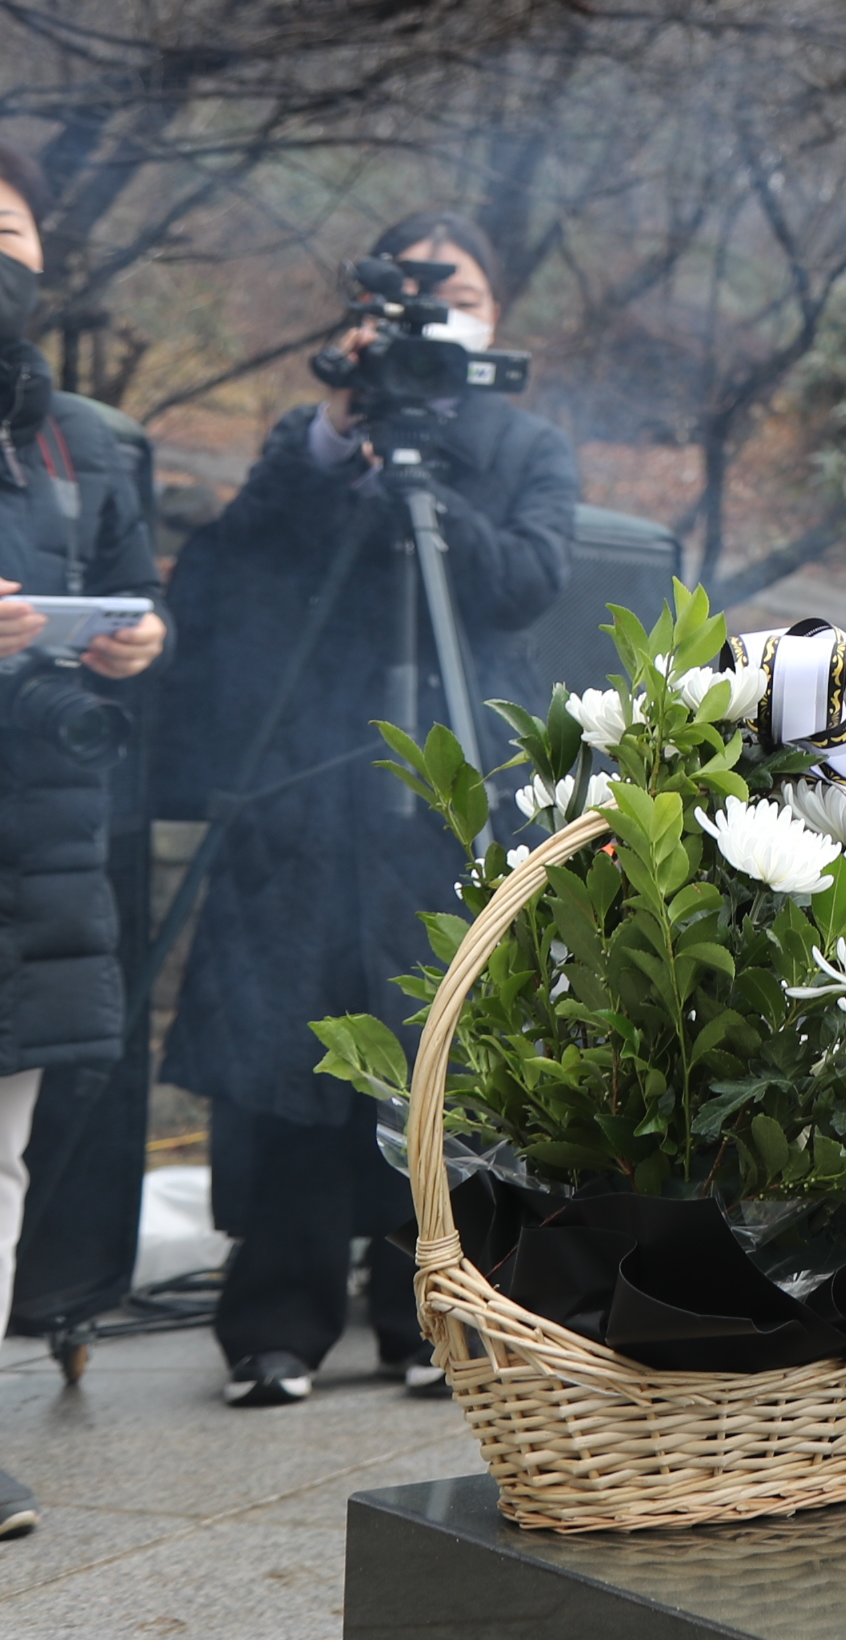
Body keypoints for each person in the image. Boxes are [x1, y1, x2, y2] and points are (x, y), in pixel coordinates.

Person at [157, 214, 578, 1408]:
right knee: (296, 1050)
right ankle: (274, 1327)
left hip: (451, 781)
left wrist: (431, 494)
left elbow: (527, 582)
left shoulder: (522, 442)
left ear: (497, 317)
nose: (444, 314)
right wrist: (337, 443)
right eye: (421, 294)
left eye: (468, 291)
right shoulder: (314, 441)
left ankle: (426, 1316)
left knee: (438, 1059)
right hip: (309, 782)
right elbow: (232, 570)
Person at [0, 142, 167, 1540]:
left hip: (33, 837)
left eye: (14, 228)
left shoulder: (82, 438)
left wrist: (133, 642)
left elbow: (139, 602)